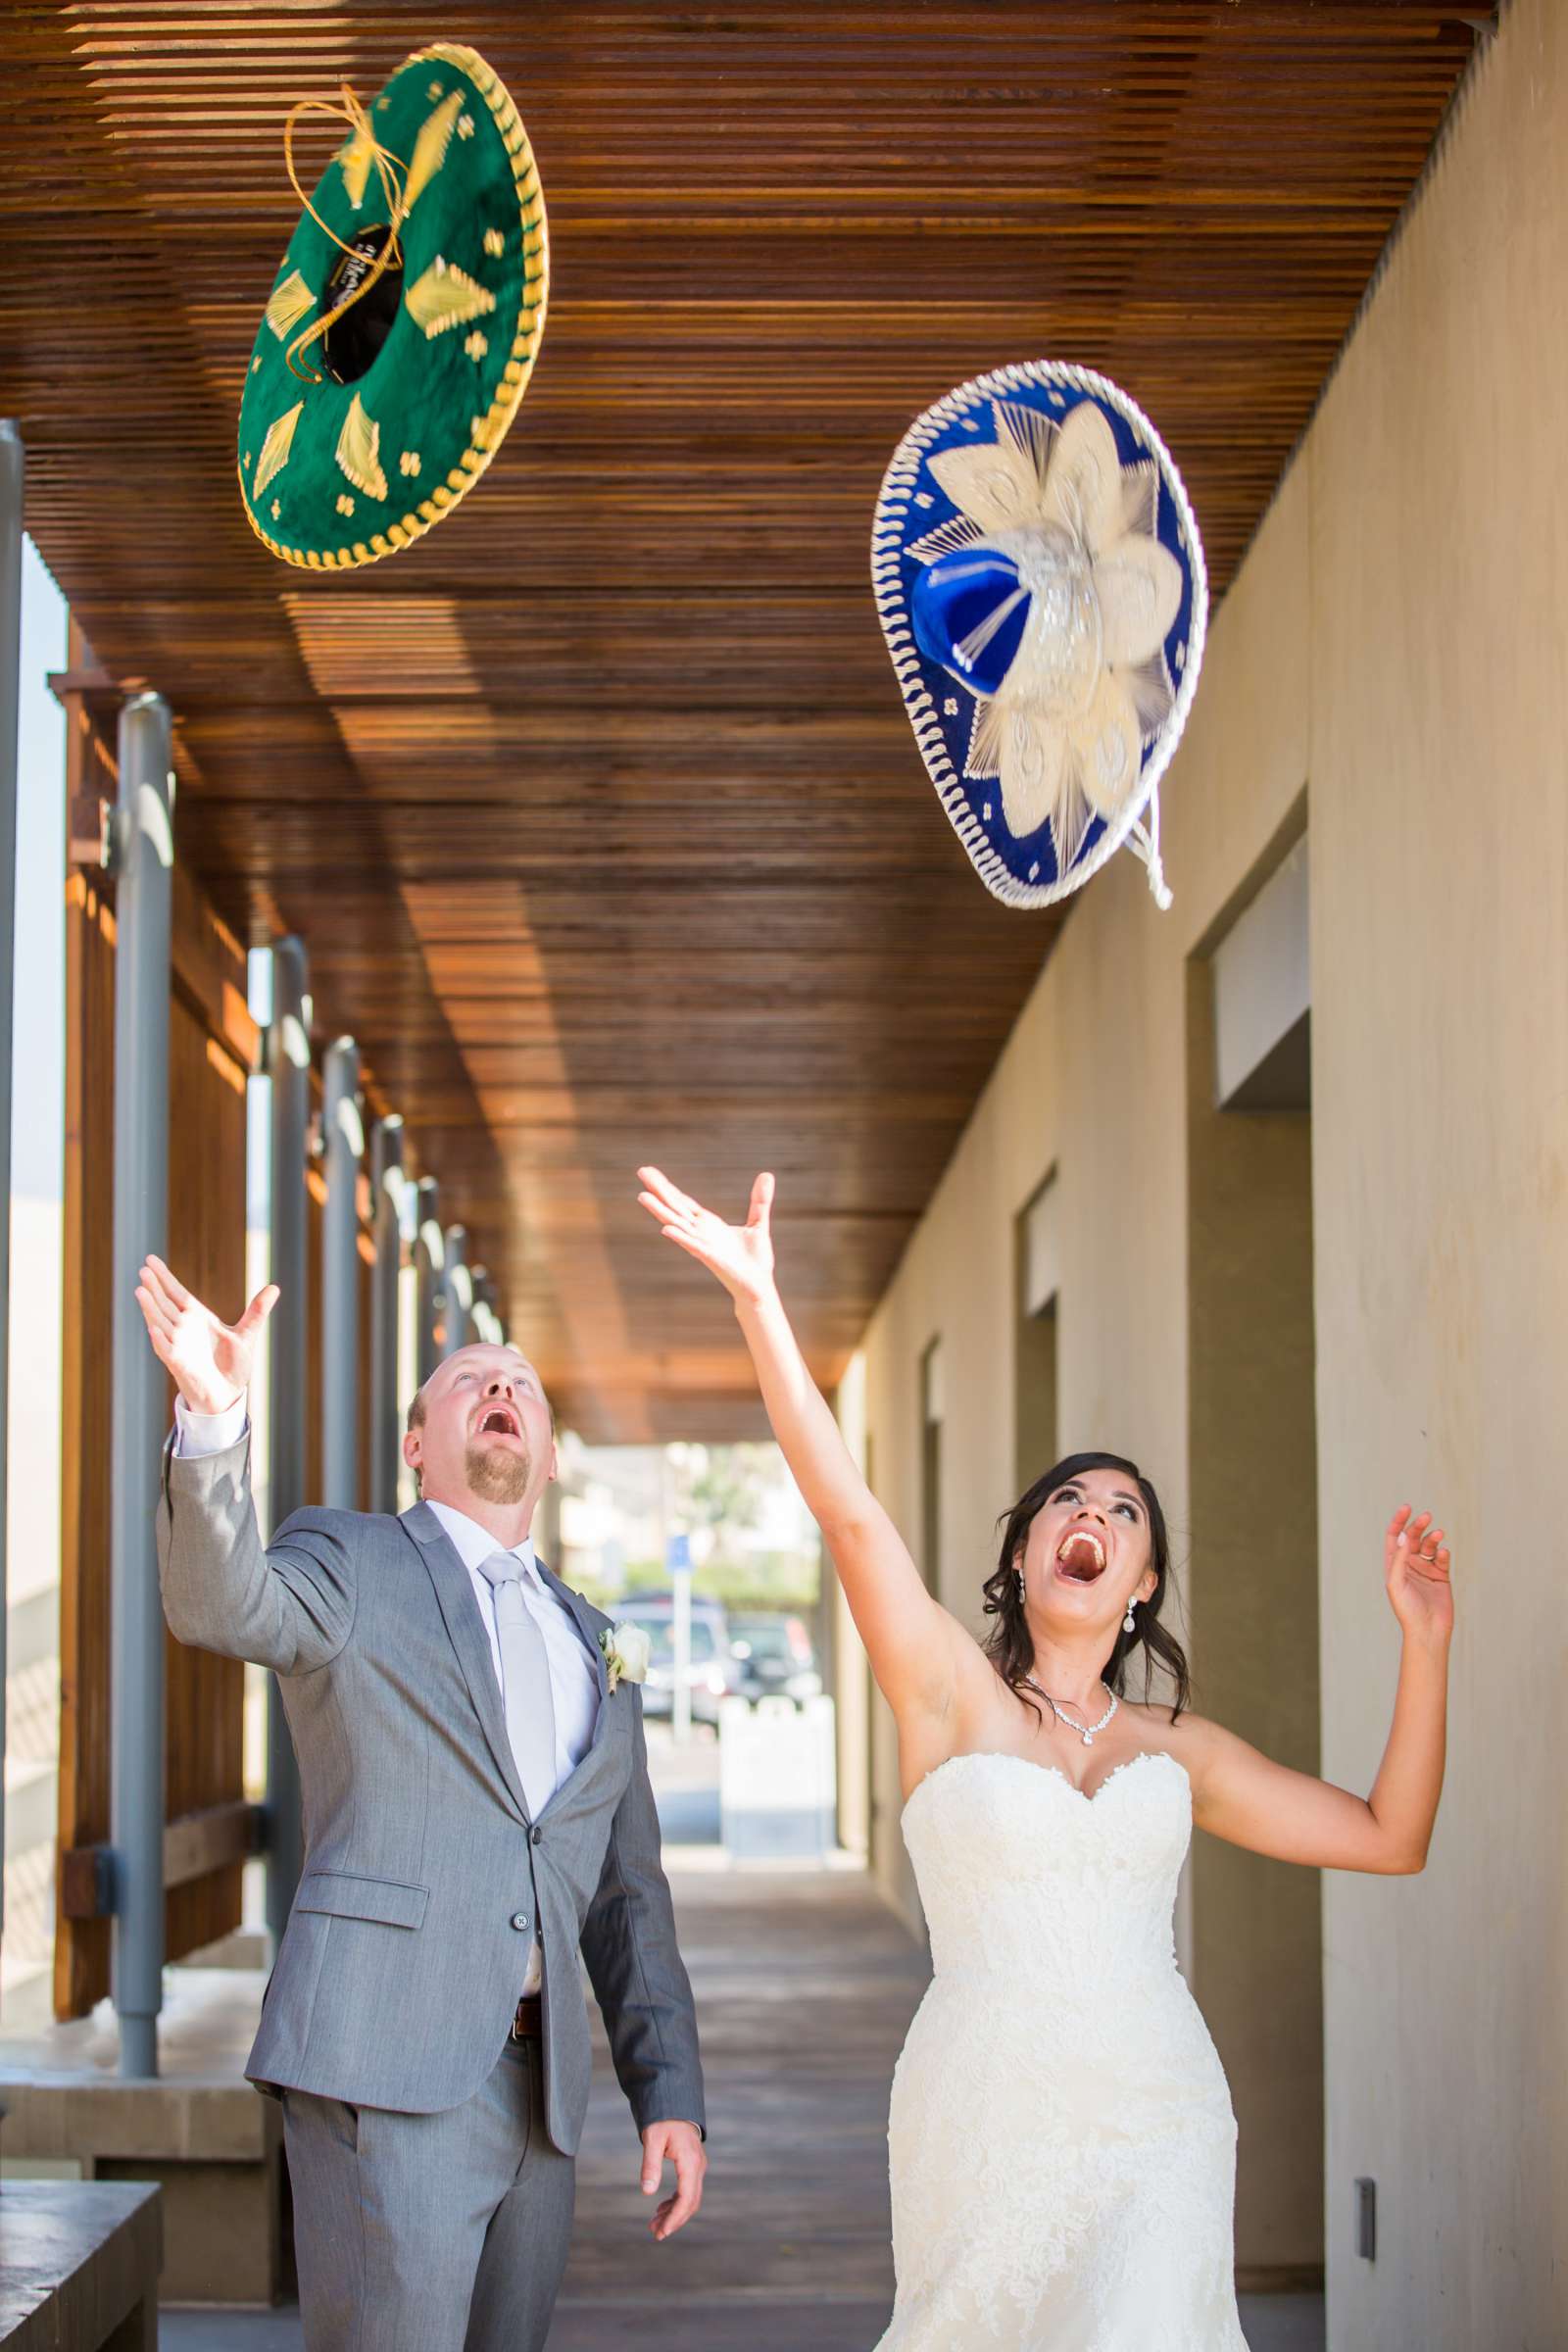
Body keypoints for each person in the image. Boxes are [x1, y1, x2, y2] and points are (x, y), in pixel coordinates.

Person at [636, 1166, 1452, 2350]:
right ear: (1025, 1554)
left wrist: (1424, 1645)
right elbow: (851, 1514)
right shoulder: (945, 1695)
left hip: (1162, 2109)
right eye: (1070, 1501)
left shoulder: (1179, 1750)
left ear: (1142, 1584)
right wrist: (761, 1303)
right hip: (985, 2113)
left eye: (1125, 1516)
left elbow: (1391, 1838)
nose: (1096, 1518)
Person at [135, 1254, 706, 2352]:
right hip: (381, 2068)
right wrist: (214, 1421)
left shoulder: (597, 1640)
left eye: (522, 1385)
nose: (501, 1390)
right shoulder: (349, 1558)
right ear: (416, 1445)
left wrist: (667, 2091)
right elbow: (226, 1606)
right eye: (469, 1380)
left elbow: (627, 1899)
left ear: (546, 1456)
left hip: (543, 2093)